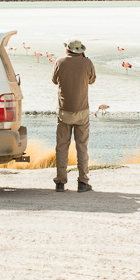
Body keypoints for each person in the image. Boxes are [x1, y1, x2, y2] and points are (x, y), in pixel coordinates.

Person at [52, 39, 96, 192]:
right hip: (82, 110)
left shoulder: (60, 61)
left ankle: (60, 182)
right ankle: (83, 182)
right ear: (81, 51)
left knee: (62, 146)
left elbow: (54, 80)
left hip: (64, 110)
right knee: (82, 146)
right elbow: (92, 80)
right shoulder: (87, 62)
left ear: (67, 50)